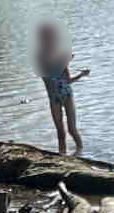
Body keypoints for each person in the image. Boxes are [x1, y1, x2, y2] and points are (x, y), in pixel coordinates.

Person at [35, 22, 90, 155]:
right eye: (47, 37)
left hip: (67, 95)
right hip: (54, 98)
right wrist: (65, 60)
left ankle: (81, 153)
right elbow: (46, 71)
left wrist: (82, 74)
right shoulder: (39, 56)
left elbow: (68, 80)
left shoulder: (60, 54)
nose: (51, 40)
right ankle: (62, 157)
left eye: (52, 37)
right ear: (41, 39)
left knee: (72, 129)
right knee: (60, 132)